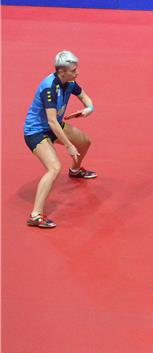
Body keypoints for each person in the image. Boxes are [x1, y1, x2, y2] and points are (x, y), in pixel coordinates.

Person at [23, 50, 96, 229]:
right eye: (73, 70)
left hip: (54, 125)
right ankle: (36, 215)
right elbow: (52, 122)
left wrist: (88, 109)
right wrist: (69, 146)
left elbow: (84, 97)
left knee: (85, 141)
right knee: (54, 167)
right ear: (61, 72)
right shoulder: (50, 88)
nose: (77, 73)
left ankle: (75, 170)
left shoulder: (69, 82)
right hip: (36, 131)